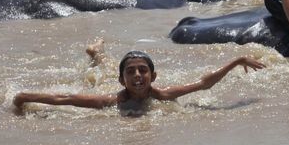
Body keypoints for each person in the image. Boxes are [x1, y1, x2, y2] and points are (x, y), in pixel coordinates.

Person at [13, 47, 265, 113]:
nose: (137, 75)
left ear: (153, 76)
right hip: (108, 87)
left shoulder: (163, 94)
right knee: (100, 71)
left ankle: (98, 54)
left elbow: (203, 83)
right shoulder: (109, 101)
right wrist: (23, 98)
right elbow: (65, 98)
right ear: (122, 81)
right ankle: (96, 53)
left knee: (108, 63)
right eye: (131, 72)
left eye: (142, 70)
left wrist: (237, 60)